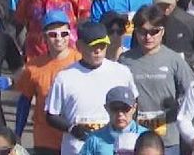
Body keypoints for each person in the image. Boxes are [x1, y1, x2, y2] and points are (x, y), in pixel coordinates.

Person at [44, 21, 137, 155]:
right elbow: (51, 115)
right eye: (93, 46)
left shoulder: (122, 72)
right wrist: (72, 128)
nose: (98, 51)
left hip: (112, 147)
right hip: (77, 148)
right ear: (79, 46)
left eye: (102, 45)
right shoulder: (65, 77)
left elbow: (135, 104)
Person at [118, 5, 193, 154]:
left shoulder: (174, 60)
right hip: (134, 139)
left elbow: (193, 92)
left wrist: (179, 110)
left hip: (168, 140)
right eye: (142, 32)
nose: (148, 37)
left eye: (154, 32)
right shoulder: (125, 60)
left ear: (163, 31)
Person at [14, 10, 82, 155]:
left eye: (64, 34)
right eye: (53, 34)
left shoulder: (81, 61)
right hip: (45, 139)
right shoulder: (33, 67)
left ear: (70, 34)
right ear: (44, 37)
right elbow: (24, 102)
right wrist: (17, 134)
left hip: (75, 137)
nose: (59, 38)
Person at [78, 86, 147, 155]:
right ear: (106, 108)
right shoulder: (94, 140)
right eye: (115, 108)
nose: (120, 113)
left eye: (125, 108)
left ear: (134, 108)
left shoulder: (146, 137)